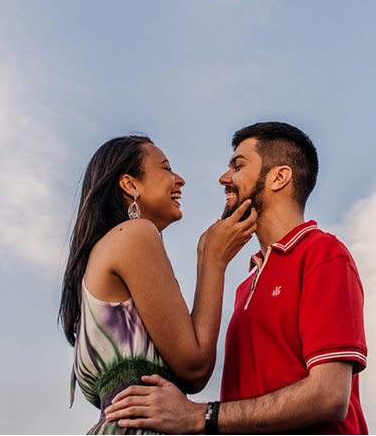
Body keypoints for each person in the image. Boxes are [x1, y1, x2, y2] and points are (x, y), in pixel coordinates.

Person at [104, 122, 368, 434]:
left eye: (238, 166)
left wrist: (198, 416)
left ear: (279, 177)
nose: (224, 177)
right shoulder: (247, 285)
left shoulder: (324, 254)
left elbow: (329, 395)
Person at [60, 135, 257, 434]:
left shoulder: (102, 254)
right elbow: (194, 368)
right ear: (130, 184)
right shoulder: (135, 234)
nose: (179, 180)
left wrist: (205, 255)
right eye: (166, 168)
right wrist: (214, 262)